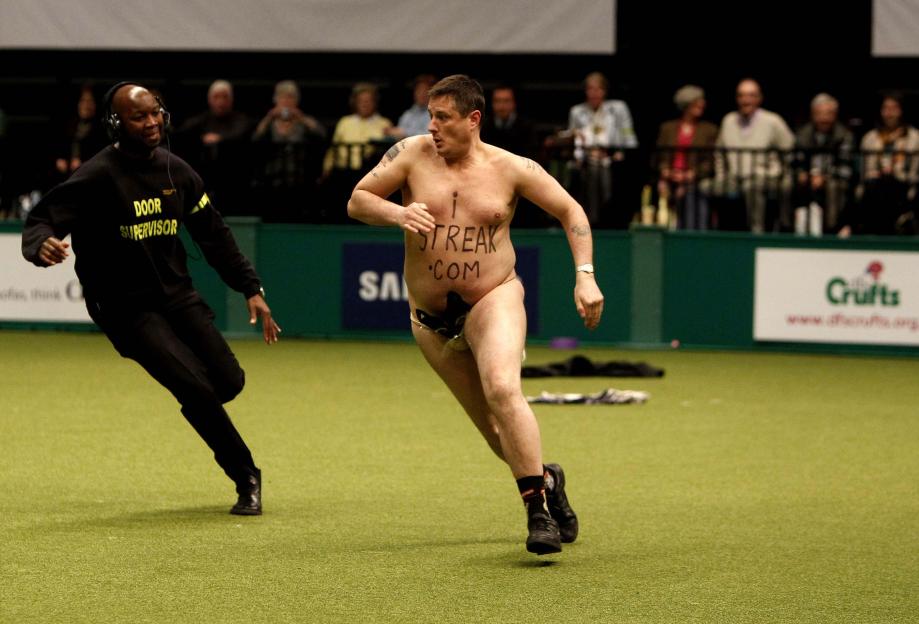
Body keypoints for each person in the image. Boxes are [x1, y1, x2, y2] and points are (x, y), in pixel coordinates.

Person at [347, 75, 604, 555]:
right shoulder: (410, 153)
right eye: (430, 116)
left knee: (504, 389)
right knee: (493, 432)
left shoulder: (512, 167)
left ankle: (537, 515)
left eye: (442, 117)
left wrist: (585, 275)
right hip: (429, 319)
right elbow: (358, 200)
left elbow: (573, 213)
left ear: (473, 119)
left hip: (494, 296)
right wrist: (397, 215)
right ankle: (547, 478)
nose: (433, 127)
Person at [21, 82, 280, 515]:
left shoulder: (177, 172)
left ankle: (198, 401)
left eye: (155, 112)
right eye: (139, 117)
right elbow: (42, 219)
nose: (152, 122)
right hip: (125, 308)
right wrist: (42, 243)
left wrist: (250, 287)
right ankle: (246, 475)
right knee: (195, 387)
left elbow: (213, 235)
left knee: (228, 381)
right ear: (115, 125)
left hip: (176, 296)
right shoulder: (97, 176)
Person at [714, 78, 795, 233]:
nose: (746, 100)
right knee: (703, 188)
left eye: (751, 95)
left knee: (752, 187)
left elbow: (789, 149)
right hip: (734, 178)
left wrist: (783, 175)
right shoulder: (728, 120)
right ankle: (702, 233)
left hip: (765, 177)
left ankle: (756, 233)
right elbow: (719, 153)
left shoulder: (773, 121)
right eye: (741, 96)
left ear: (759, 98)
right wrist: (721, 176)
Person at [563, 72, 638, 228]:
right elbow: (573, 136)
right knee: (587, 172)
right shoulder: (577, 111)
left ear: (605, 91)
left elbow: (628, 134)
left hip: (612, 156)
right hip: (587, 158)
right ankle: (591, 219)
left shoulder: (618, 108)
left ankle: (607, 217)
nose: (594, 93)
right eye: (590, 89)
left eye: (599, 89)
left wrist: (620, 151)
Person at [840, 92, 919, 236]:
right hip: (874, 185)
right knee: (873, 188)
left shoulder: (914, 137)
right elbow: (865, 168)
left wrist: (896, 173)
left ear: (902, 111)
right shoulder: (871, 137)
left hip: (903, 184)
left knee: (889, 186)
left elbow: (914, 171)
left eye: (894, 108)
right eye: (886, 108)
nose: (889, 113)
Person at [251, 80, 327, 222]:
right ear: (275, 100)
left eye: (290, 97)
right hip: (272, 179)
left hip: (300, 179)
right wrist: (268, 118)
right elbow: (256, 138)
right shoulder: (270, 123)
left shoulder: (303, 121)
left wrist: (301, 118)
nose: (286, 101)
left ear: (296, 101)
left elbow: (321, 135)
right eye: (282, 97)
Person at [175, 80, 253, 217]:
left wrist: (220, 139)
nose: (221, 102)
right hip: (204, 177)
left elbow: (242, 132)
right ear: (209, 100)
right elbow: (183, 131)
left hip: (234, 177)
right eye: (216, 97)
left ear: (231, 100)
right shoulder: (202, 119)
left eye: (224, 97)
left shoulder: (240, 120)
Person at [654, 85, 718, 230]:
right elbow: (659, 156)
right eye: (697, 101)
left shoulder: (709, 130)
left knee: (691, 194)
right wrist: (665, 171)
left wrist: (691, 174)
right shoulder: (667, 128)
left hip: (694, 178)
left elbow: (710, 160)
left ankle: (691, 235)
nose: (702, 104)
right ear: (687, 104)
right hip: (670, 177)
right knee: (662, 193)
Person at [791, 93, 854, 235]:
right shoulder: (803, 135)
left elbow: (846, 167)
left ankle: (832, 229)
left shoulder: (844, 135)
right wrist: (802, 173)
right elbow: (795, 161)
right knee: (787, 184)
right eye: (820, 114)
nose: (824, 118)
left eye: (829, 114)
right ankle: (788, 228)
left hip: (834, 178)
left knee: (833, 187)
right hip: (808, 177)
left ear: (835, 115)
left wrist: (824, 177)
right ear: (813, 114)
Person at [480, 84, 542, 227]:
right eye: (498, 101)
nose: (502, 106)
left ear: (513, 103)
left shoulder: (527, 127)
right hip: (488, 182)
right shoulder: (483, 127)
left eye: (506, 101)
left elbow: (531, 159)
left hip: (520, 182)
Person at [388, 74, 437, 139]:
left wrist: (404, 133)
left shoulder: (436, 113)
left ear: (432, 93)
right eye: (418, 90)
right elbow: (398, 133)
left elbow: (430, 136)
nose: (421, 94)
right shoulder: (408, 113)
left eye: (425, 90)